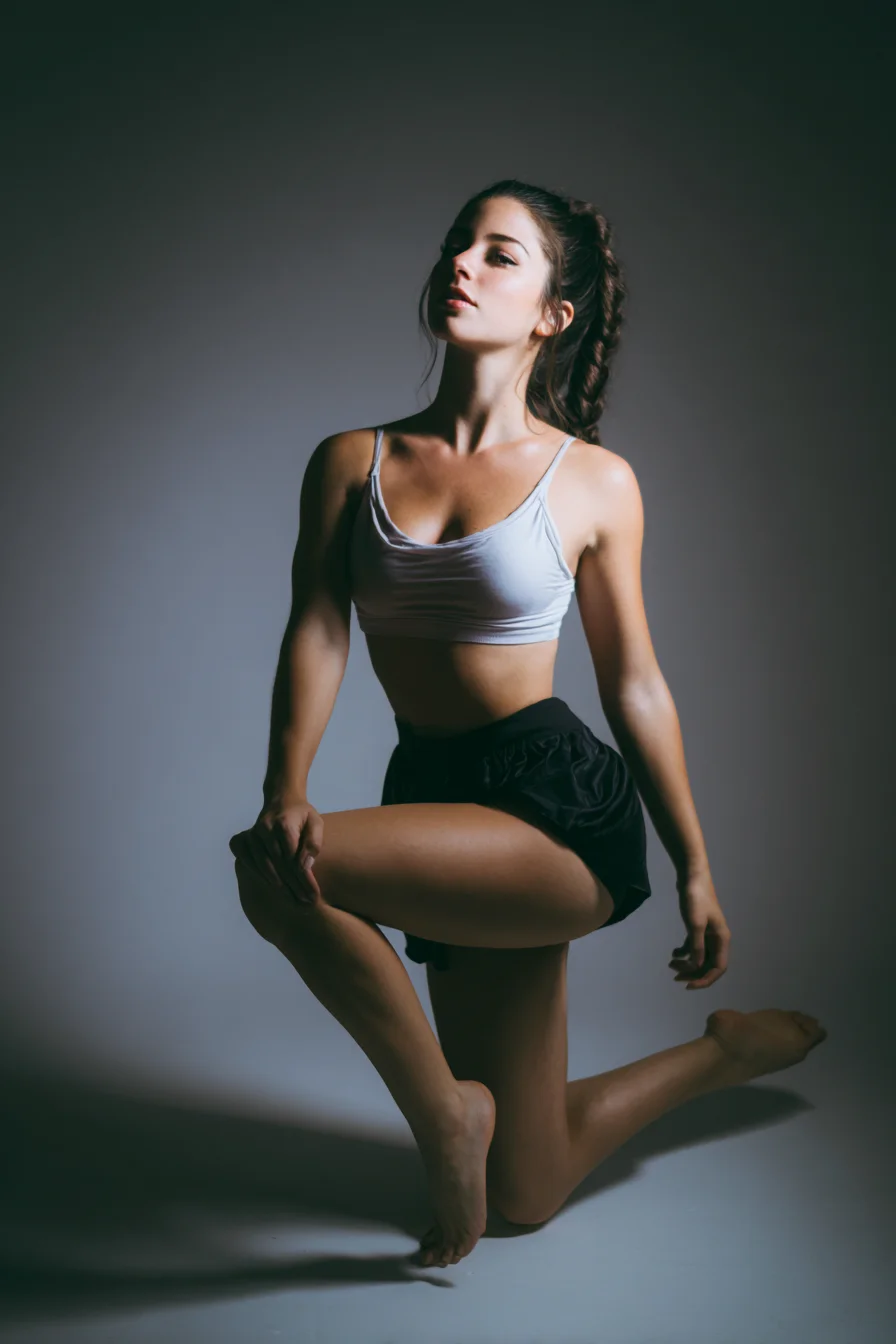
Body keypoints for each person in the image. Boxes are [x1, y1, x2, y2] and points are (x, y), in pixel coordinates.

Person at [228, 178, 827, 1271]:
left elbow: (633, 682)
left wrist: (693, 865)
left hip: (554, 811)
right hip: (437, 798)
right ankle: (715, 1060)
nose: (460, 263)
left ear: (553, 313)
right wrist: (287, 784)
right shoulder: (349, 462)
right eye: (459, 243)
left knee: (277, 873)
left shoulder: (592, 481)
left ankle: (445, 1116)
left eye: (498, 254)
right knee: (527, 1196)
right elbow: (316, 633)